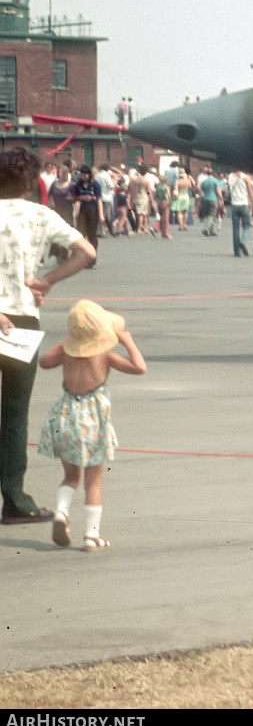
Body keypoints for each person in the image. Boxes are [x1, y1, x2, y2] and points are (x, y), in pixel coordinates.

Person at [0, 148, 95, 526]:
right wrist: (47, 280)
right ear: (29, 183)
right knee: (13, 412)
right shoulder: (40, 215)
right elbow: (85, 251)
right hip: (23, 319)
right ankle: (15, 498)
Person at [37, 301, 146, 551]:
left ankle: (62, 513)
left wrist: (70, 341)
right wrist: (126, 341)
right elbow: (139, 367)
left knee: (71, 476)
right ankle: (91, 536)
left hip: (64, 418)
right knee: (93, 481)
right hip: (92, 424)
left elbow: (44, 361)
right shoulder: (105, 355)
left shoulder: (66, 351)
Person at [224, 170, 253, 256]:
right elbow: (250, 193)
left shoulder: (230, 177)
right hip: (244, 204)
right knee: (246, 226)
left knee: (235, 229)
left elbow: (227, 190)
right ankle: (243, 241)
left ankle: (237, 252)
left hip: (234, 205)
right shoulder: (246, 178)